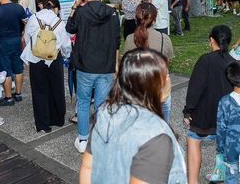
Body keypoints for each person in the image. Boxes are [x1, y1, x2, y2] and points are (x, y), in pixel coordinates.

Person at [78, 49, 187, 184]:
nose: (169, 81)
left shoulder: (106, 113)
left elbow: (88, 168)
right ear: (152, 86)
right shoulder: (156, 137)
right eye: (166, 76)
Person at [66, 0, 120, 153]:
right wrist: (116, 64)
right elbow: (117, 41)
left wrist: (75, 4)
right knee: (102, 104)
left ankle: (83, 140)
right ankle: (101, 139)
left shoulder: (82, 12)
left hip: (85, 66)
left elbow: (70, 29)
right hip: (105, 66)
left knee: (83, 102)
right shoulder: (112, 13)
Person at [183, 25, 236, 184]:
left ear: (211, 40)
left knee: (193, 143)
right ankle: (220, 173)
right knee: (223, 146)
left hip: (203, 114)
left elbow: (195, 88)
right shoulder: (233, 61)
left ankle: (193, 181)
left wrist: (188, 110)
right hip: (225, 114)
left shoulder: (205, 60)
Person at [22, 0, 71, 133]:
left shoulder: (33, 19)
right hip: (54, 59)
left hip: (36, 58)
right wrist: (66, 55)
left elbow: (27, 38)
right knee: (57, 88)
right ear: (54, 8)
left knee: (39, 91)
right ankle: (58, 119)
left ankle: (43, 125)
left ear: (42, 6)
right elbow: (66, 45)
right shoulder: (59, 22)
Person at [124, 3, 174, 122]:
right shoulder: (164, 39)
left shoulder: (130, 39)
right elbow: (168, 63)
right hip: (159, 89)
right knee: (162, 126)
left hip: (137, 90)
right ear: (155, 19)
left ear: (136, 18)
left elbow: (126, 66)